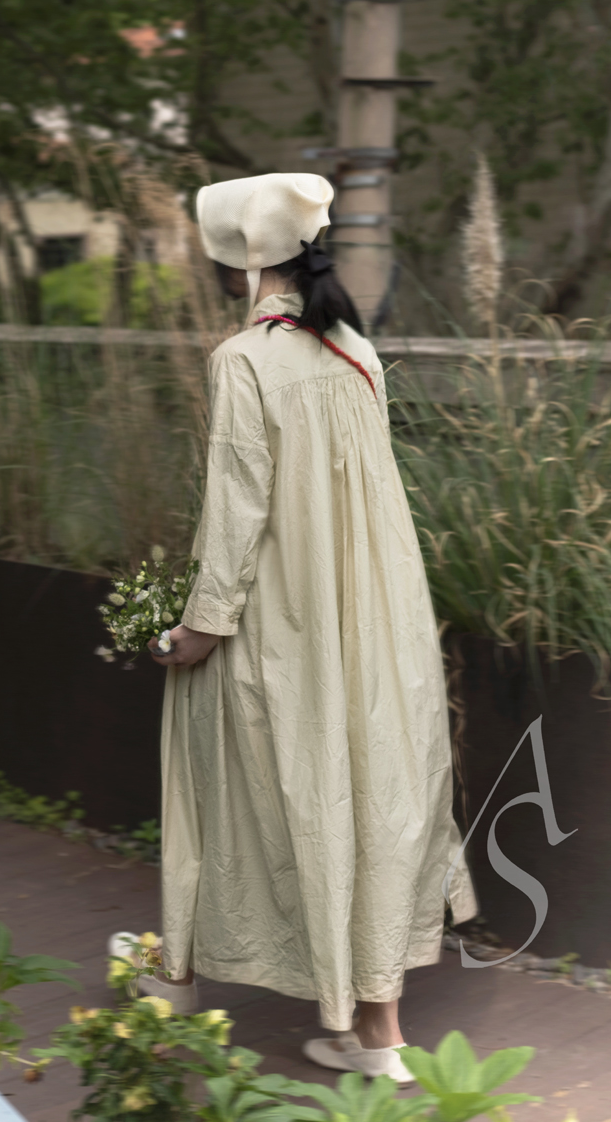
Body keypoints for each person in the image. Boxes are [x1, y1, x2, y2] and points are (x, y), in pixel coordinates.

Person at [135, 172, 476, 1085]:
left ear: (241, 266)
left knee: (215, 771)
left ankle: (175, 982)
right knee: (367, 791)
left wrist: (201, 627)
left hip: (284, 620)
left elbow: (238, 507)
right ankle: (378, 1036)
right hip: (376, 618)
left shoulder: (244, 360)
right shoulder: (355, 349)